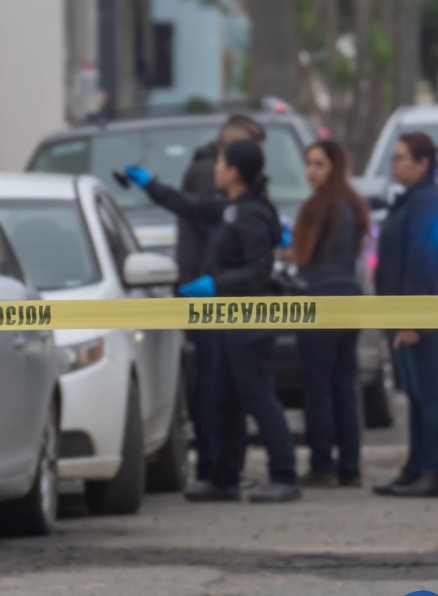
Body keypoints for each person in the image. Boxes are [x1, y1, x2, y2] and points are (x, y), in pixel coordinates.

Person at [122, 139, 299, 503]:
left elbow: (258, 271)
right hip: (227, 323)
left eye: (221, 163)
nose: (215, 169)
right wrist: (150, 184)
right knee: (226, 400)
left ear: (235, 171)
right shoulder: (232, 208)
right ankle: (224, 479)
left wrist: (215, 284)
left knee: (258, 398)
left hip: (249, 324)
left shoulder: (251, 213)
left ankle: (285, 476)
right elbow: (190, 206)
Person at [176, 114, 267, 486]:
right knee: (215, 386)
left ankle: (224, 468)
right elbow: (218, 227)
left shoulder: (235, 188)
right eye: (250, 151)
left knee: (221, 385)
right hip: (214, 294)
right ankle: (218, 468)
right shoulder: (209, 177)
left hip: (220, 291)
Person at [373, 132, 438, 499]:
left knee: (428, 394)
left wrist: (412, 319)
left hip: (423, 312)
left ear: (423, 163)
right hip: (403, 311)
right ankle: (414, 466)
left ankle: (431, 471)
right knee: (415, 393)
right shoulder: (410, 199)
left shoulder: (426, 202)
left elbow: (421, 263)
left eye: (401, 158)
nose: (395, 165)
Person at [284, 139, 369, 488]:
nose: (311, 171)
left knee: (318, 387)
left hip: (318, 299)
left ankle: (322, 465)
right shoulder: (353, 203)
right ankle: (350, 466)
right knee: (344, 385)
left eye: (319, 164)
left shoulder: (316, 207)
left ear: (333, 167)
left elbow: (302, 258)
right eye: (308, 163)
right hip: (350, 298)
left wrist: (284, 252)